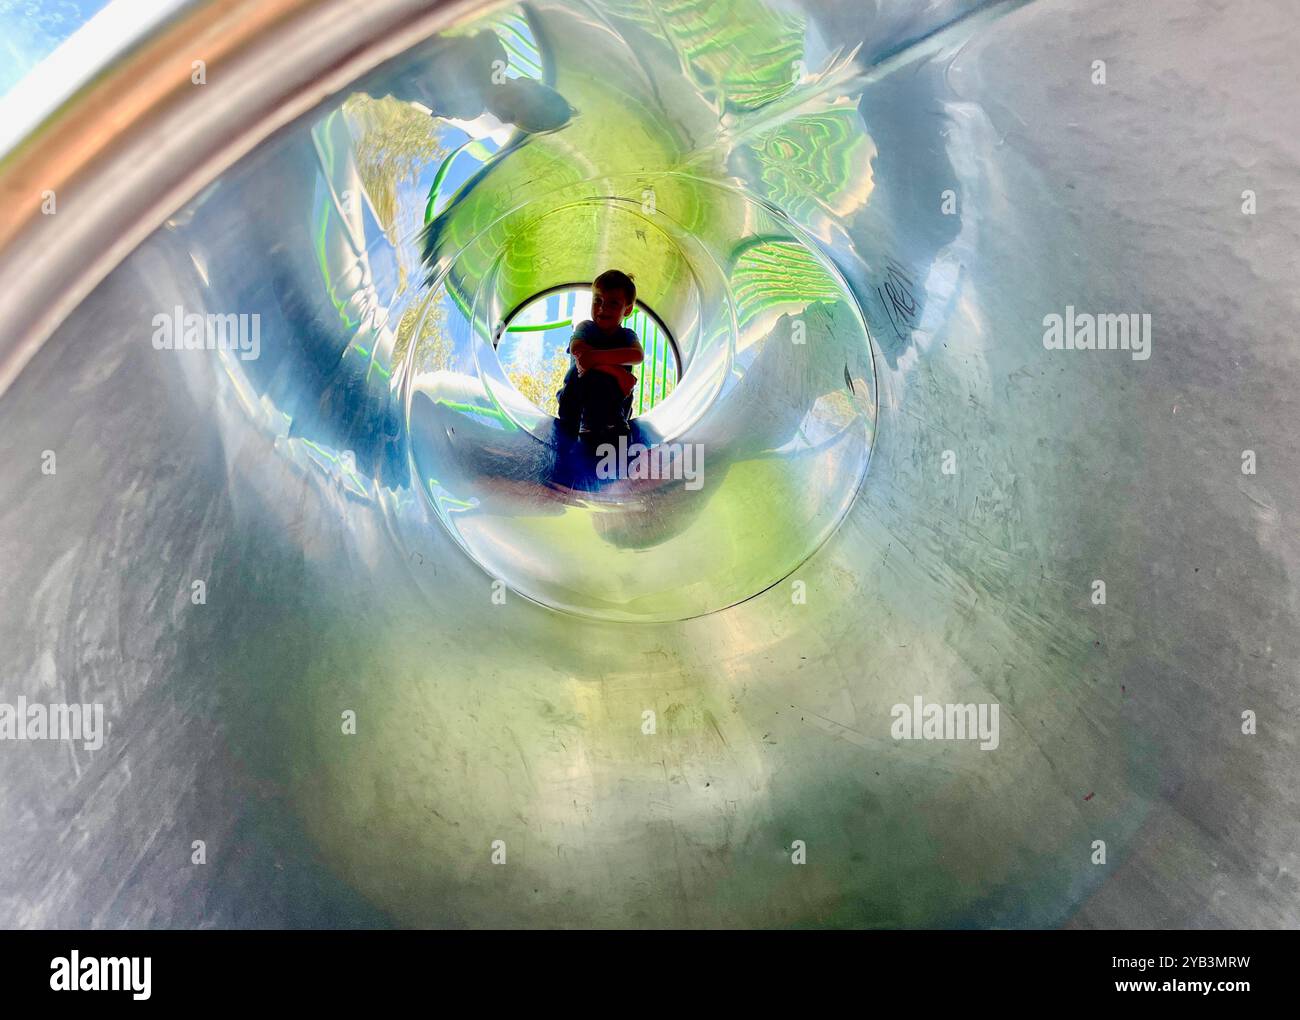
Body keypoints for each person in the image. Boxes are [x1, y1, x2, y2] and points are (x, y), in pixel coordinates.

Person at [556, 270, 644, 436]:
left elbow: (638, 355)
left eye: (613, 303)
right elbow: (579, 352)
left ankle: (614, 422)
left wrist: (593, 358)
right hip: (578, 403)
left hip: (613, 407)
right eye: (598, 300)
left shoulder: (627, 335)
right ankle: (575, 424)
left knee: (613, 384)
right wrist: (617, 372)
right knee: (579, 374)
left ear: (627, 310)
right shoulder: (586, 327)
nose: (603, 307)